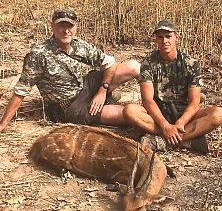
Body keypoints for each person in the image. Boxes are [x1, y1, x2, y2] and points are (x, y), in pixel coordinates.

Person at [0, 8, 140, 131]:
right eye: (61, 26)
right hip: (69, 107)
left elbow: (110, 63)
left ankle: (159, 100)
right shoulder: (38, 54)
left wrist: (102, 91)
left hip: (84, 87)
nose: (66, 31)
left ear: (76, 27)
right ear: (52, 27)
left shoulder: (79, 45)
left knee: (133, 66)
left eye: (70, 26)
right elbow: (21, 91)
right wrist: (3, 124)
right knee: (129, 113)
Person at [123, 19, 222, 153]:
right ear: (156, 40)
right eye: (160, 37)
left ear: (176, 37)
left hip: (184, 114)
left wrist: (180, 123)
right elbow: (148, 100)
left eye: (168, 36)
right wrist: (165, 126)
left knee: (219, 114)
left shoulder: (191, 63)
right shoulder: (148, 63)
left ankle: (163, 141)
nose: (165, 41)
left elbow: (194, 102)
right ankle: (186, 139)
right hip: (159, 113)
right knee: (129, 111)